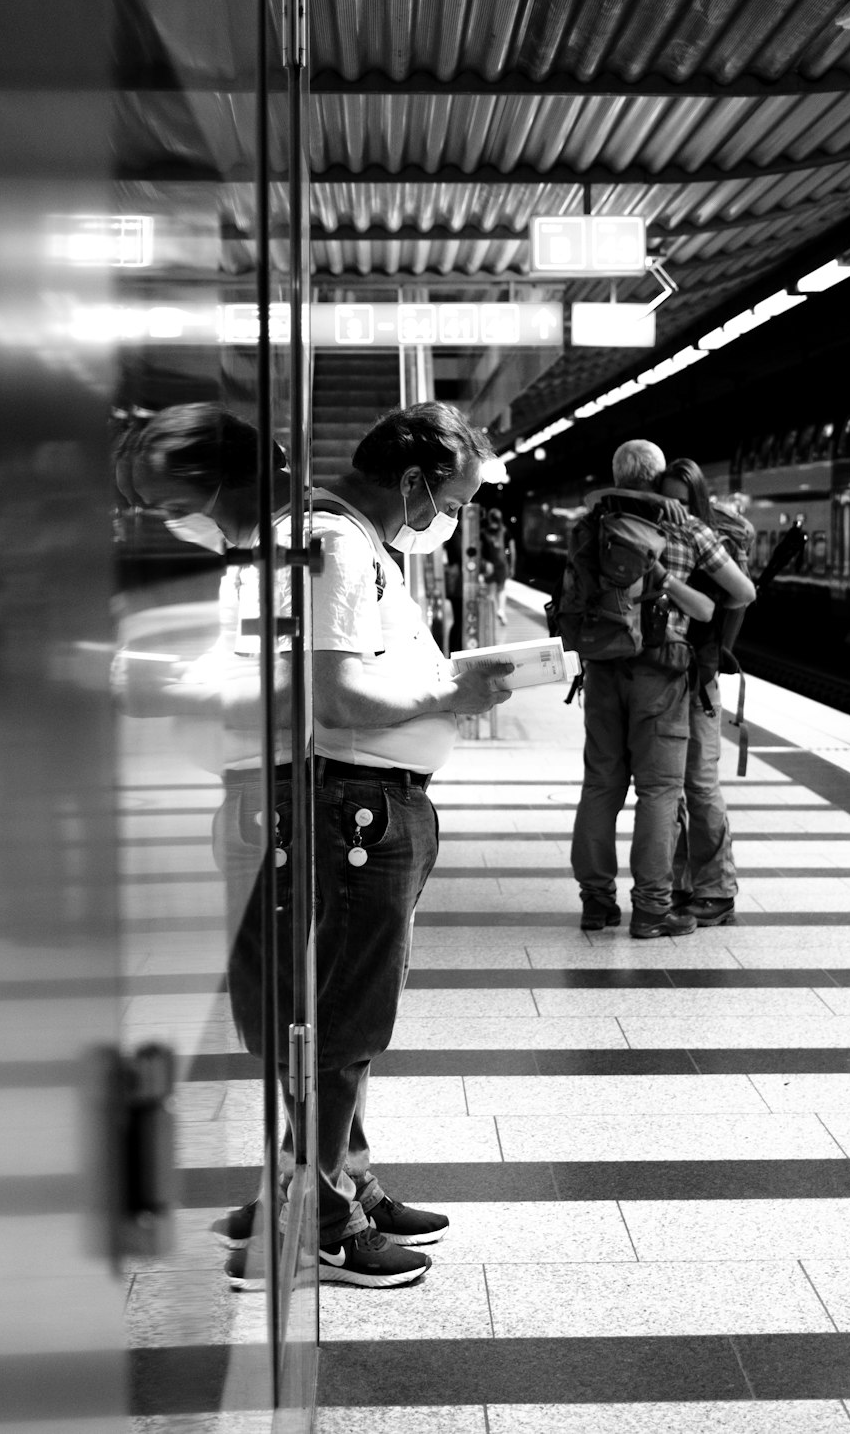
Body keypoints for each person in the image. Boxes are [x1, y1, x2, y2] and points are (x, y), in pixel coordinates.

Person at [129, 400, 513, 1289]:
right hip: (348, 812)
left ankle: (332, 1180)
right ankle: (320, 1220)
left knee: (339, 1014)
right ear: (413, 481)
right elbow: (333, 700)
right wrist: (451, 696)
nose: (449, 520)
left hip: (350, 807)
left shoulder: (329, 543)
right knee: (337, 1020)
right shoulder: (333, 544)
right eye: (447, 499)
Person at [570, 439, 756, 939]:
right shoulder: (683, 526)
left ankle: (596, 901)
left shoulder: (591, 525)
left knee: (600, 787)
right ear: (655, 478)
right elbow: (742, 593)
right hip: (661, 670)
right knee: (659, 791)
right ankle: (652, 908)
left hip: (602, 667)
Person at [660, 456, 754, 927]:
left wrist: (708, 618)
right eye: (666, 498)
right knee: (669, 786)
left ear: (694, 499)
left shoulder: (704, 536)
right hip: (663, 675)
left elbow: (743, 594)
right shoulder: (653, 532)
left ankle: (717, 889)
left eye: (682, 499)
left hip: (699, 676)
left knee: (699, 782)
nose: (674, 508)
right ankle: (683, 884)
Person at [480, 506, 511, 624]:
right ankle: (501, 610)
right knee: (502, 589)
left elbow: (480, 550)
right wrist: (511, 565)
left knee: (490, 592)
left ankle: (490, 617)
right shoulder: (504, 531)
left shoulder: (484, 532)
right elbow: (511, 549)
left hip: (489, 565)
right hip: (502, 564)